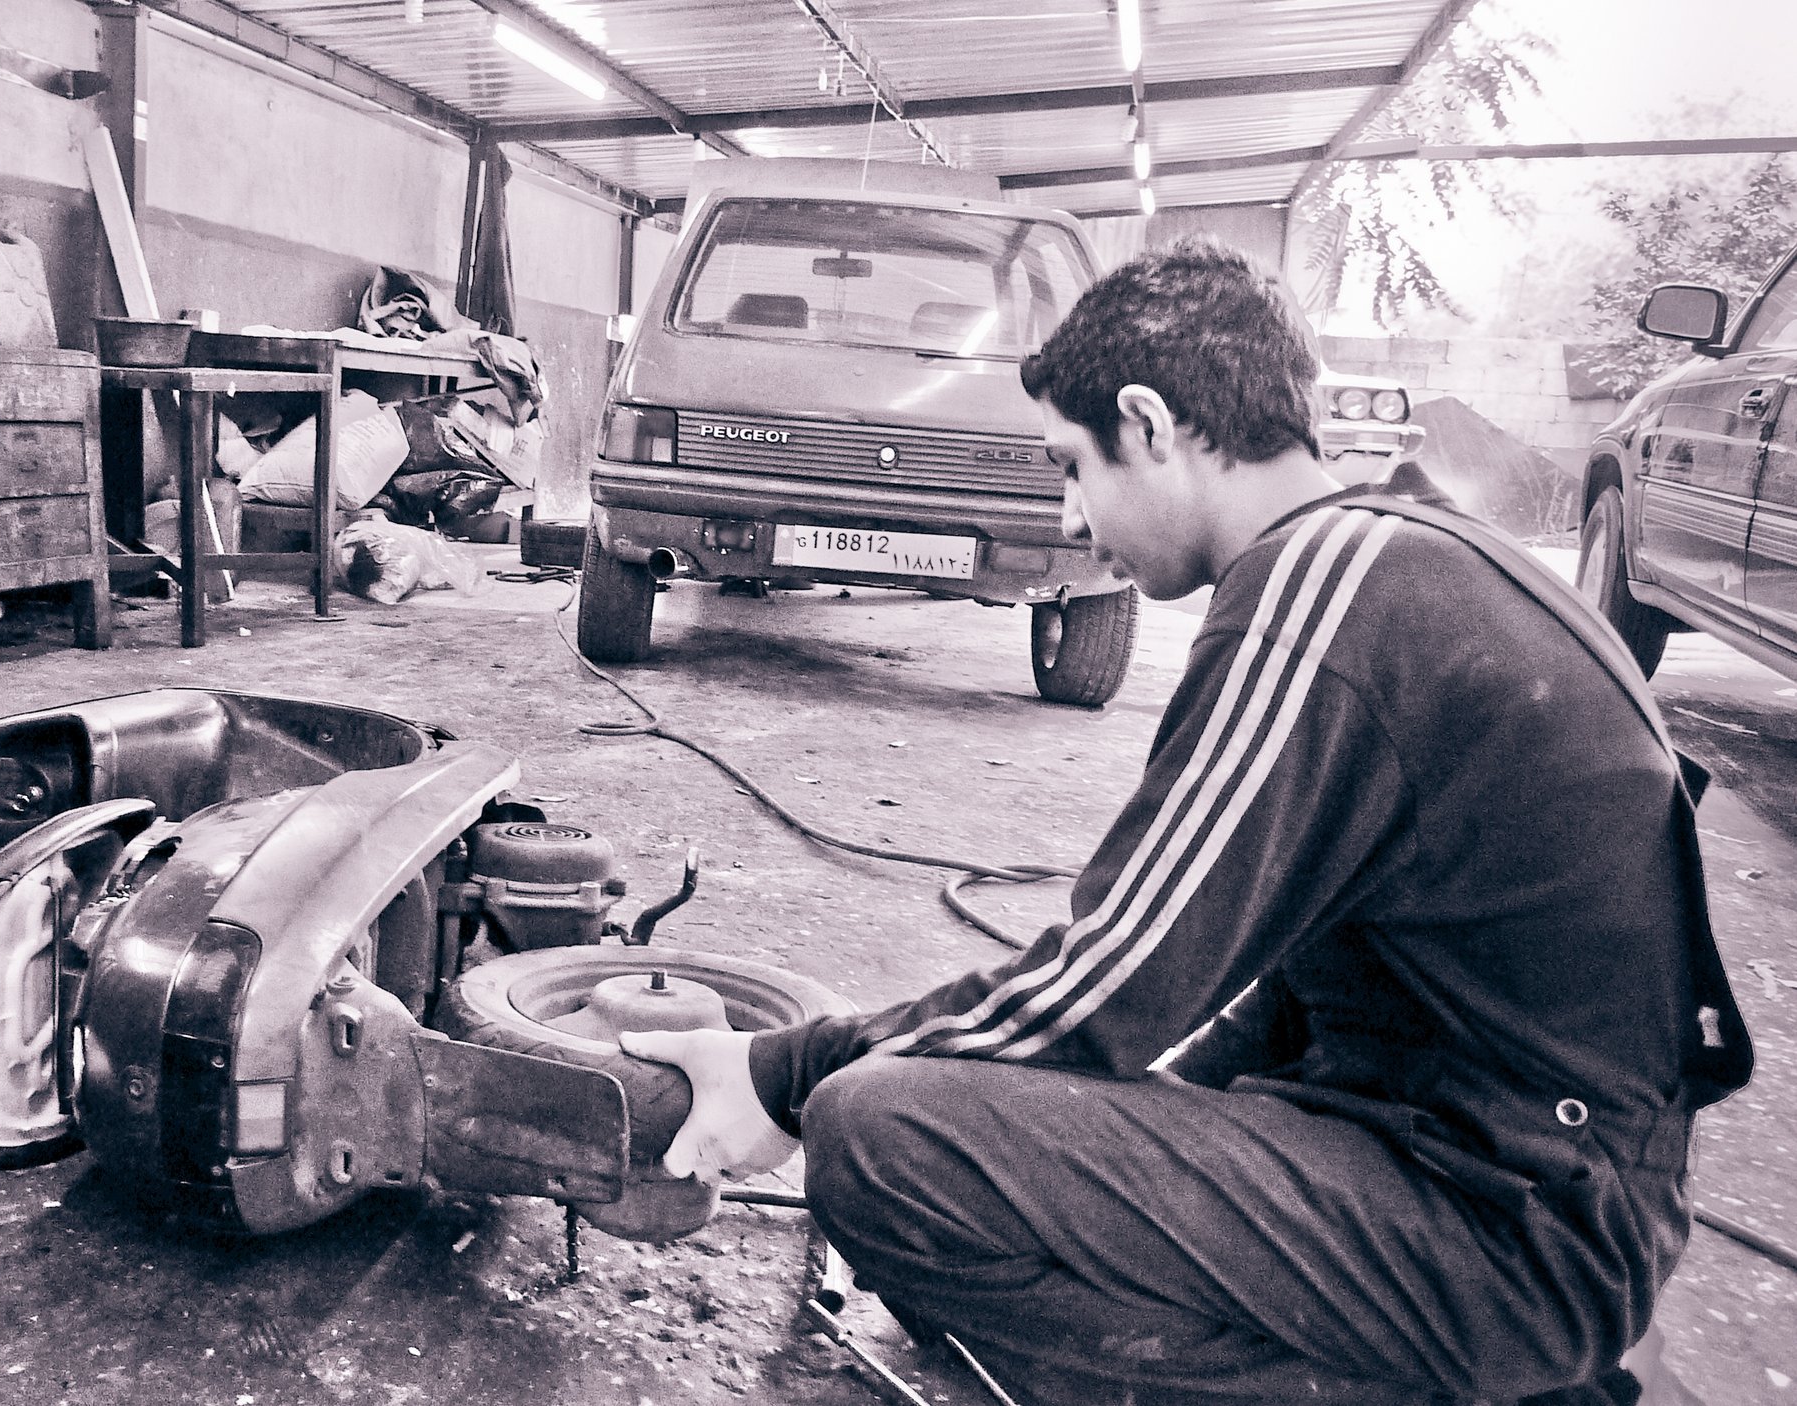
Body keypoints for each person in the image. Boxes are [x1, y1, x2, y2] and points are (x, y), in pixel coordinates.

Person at [624, 240, 1750, 1406]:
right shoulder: (1399, 557)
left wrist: (782, 1073)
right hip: (1508, 1169)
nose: (1071, 515)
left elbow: (1109, 982)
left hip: (1509, 1227)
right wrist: (1103, 1125)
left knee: (883, 1134)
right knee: (978, 1132)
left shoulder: (1320, 597)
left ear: (1151, 424)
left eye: (1073, 466)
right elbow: (1278, 987)